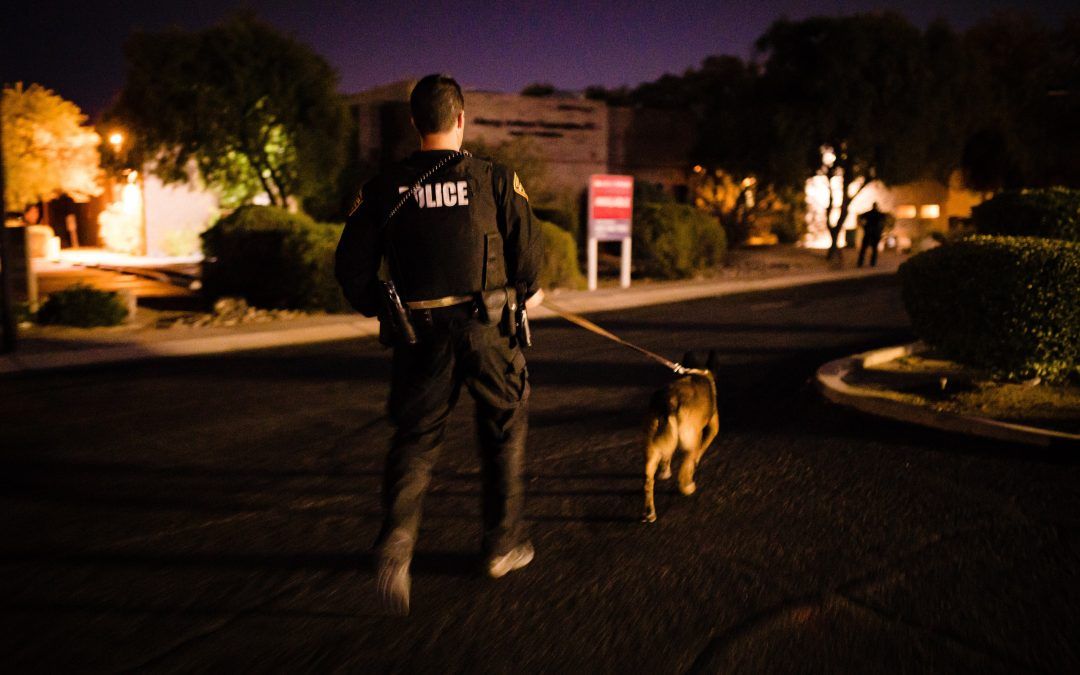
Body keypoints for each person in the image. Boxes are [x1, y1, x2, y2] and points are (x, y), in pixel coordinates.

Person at [335, 74, 544, 615]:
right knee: (503, 427)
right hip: (487, 332)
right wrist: (524, 292)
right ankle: (503, 545)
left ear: (414, 123)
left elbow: (351, 269)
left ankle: (395, 546)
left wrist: (385, 308)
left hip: (420, 338)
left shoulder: (383, 188)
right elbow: (528, 263)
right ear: (460, 119)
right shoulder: (496, 179)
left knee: (416, 440)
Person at [857, 202, 887, 268]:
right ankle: (872, 263)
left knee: (864, 249)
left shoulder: (870, 213)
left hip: (869, 233)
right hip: (874, 233)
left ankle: (861, 263)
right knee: (873, 249)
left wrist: (863, 226)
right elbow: (884, 220)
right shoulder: (878, 214)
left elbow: (860, 217)